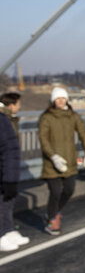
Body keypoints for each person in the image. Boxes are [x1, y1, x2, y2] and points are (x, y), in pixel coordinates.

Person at [38, 87, 85, 235]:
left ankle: (54, 212)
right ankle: (52, 219)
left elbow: (83, 133)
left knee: (69, 190)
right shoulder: (46, 118)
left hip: (70, 160)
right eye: (58, 99)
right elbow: (43, 139)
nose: (61, 101)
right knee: (56, 191)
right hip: (52, 163)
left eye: (63, 98)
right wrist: (53, 157)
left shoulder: (73, 116)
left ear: (67, 100)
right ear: (53, 101)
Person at [1, 103, 29, 251]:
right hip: (6, 169)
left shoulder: (2, 119)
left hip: (5, 170)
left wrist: (10, 177)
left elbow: (10, 149)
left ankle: (6, 230)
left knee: (6, 201)